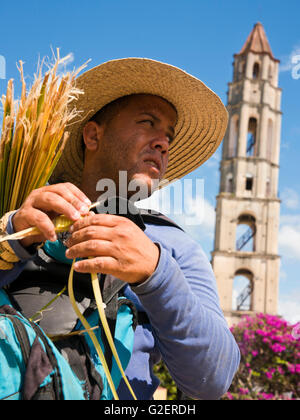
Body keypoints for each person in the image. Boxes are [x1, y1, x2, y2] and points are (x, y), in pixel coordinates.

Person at [0, 58, 240, 400]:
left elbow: (214, 378)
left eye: (169, 136)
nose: (163, 143)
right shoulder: (26, 213)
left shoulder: (171, 245)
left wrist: (155, 273)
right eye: (148, 123)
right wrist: (12, 235)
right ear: (93, 135)